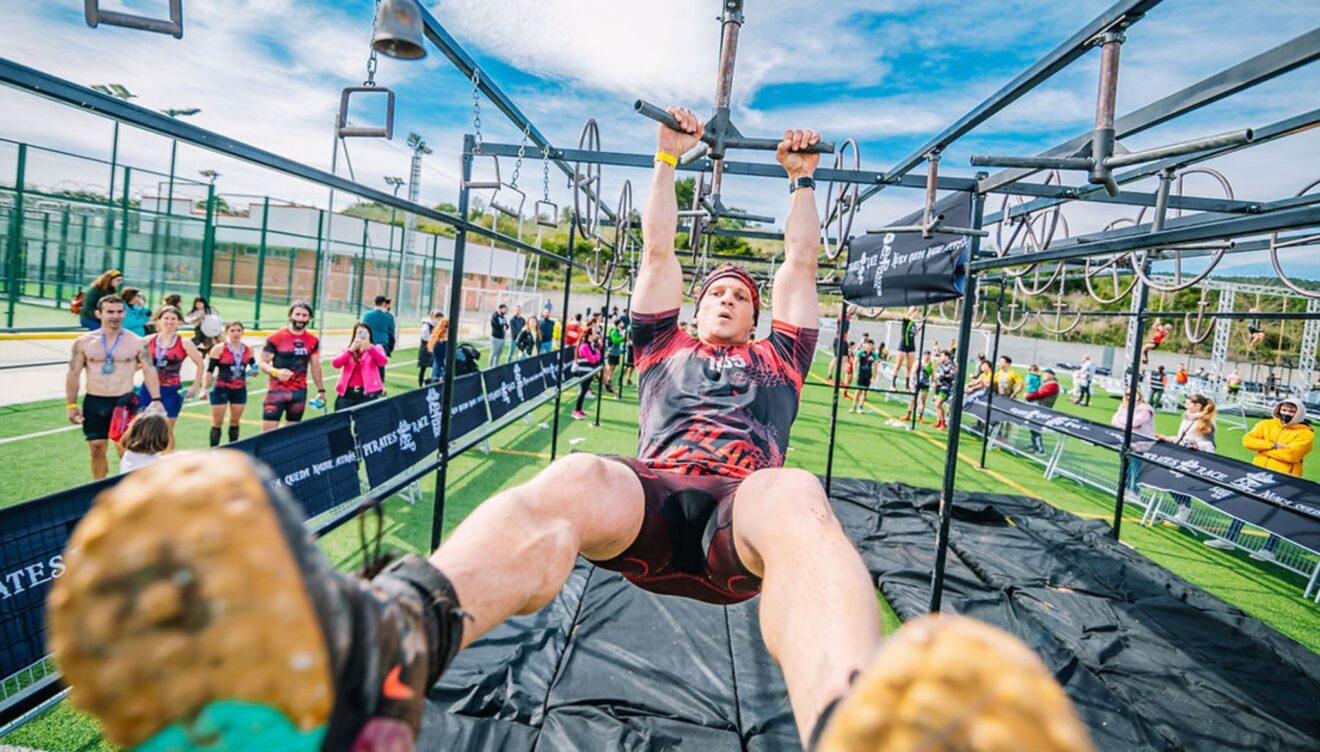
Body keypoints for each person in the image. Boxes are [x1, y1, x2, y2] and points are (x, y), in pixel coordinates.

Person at [48, 112, 1092, 752]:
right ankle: (392, 641)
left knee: (800, 492)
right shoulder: (659, 346)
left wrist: (806, 184)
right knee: (581, 470)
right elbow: (655, 242)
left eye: (740, 290)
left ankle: (854, 719)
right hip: (647, 497)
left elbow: (801, 273)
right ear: (693, 309)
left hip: (743, 520)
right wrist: (667, 160)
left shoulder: (779, 355)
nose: (730, 295)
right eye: (717, 288)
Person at [66, 295, 162, 479]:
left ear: (124, 313)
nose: (115, 316)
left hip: (123, 402)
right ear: (98, 314)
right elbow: (73, 374)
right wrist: (71, 405)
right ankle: (98, 488)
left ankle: (129, 490)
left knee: (127, 451)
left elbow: (150, 371)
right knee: (96, 448)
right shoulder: (83, 342)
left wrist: (157, 400)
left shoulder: (137, 342)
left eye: (119, 311)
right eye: (110, 311)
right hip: (95, 401)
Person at [1208, 398, 1314, 558]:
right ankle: (1229, 539)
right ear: (1279, 409)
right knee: (1244, 505)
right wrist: (1273, 445)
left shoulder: (1305, 434)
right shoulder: (1266, 424)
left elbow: (1292, 455)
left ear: (1299, 414)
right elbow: (1247, 441)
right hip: (1258, 474)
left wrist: (1262, 448)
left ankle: (1269, 549)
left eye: (1292, 411)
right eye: (1284, 409)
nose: (1287, 413)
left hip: (1285, 479)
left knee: (1277, 513)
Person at [140, 306, 206, 453]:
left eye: (173, 319)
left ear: (179, 322)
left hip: (171, 390)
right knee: (144, 429)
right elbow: (139, 364)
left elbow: (200, 363)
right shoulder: (147, 341)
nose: (169, 322)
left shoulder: (184, 342)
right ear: (158, 320)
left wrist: (195, 387)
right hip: (148, 390)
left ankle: (168, 463)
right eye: (166, 318)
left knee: (166, 431)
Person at [259, 301, 325, 432]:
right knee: (267, 435)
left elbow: (316, 366)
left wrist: (321, 391)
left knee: (290, 436)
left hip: (299, 393)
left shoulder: (313, 340)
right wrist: (275, 372)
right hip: (276, 392)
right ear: (290, 315)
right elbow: (262, 362)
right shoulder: (275, 337)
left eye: (304, 315)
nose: (300, 318)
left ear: (309, 318)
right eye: (297, 314)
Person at [1157, 394, 1217, 523]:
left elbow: (1210, 445)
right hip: (1181, 455)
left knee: (1179, 483)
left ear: (1198, 406)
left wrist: (1197, 445)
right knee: (1168, 480)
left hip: (1195, 459)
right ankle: (1183, 509)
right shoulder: (1186, 418)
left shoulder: (1206, 421)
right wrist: (1168, 438)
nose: (1185, 405)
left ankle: (1184, 510)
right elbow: (1181, 438)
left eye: (1188, 403)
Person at [204, 321, 256, 447]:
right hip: (221, 389)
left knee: (235, 421)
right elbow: (210, 370)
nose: (236, 333)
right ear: (227, 333)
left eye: (238, 330)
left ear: (243, 332)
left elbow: (254, 367)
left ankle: (234, 449)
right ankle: (214, 451)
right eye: (232, 330)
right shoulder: (219, 349)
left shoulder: (248, 349)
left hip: (239, 390)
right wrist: (204, 388)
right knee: (217, 422)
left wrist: (254, 371)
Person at [333, 323, 390, 411]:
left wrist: (370, 348)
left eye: (364, 333)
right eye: (358, 333)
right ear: (354, 335)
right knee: (341, 422)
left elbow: (383, 362)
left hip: (367, 395)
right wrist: (350, 351)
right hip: (347, 394)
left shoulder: (377, 348)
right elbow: (336, 364)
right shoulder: (347, 350)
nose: (361, 336)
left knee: (366, 423)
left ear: (369, 335)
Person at [1111, 390, 1156, 501]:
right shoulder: (1123, 406)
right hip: (1125, 441)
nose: (1130, 396)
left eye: (1133, 393)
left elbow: (1135, 422)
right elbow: (1114, 420)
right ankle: (1124, 489)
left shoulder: (1145, 408)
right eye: (1127, 394)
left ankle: (1135, 493)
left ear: (1139, 394)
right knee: (1125, 467)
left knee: (1136, 470)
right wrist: (1124, 422)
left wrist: (1122, 421)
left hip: (1140, 443)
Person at [1024, 368, 1061, 453]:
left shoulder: (1053, 384)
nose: (1044, 375)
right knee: (1033, 427)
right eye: (1043, 373)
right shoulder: (1047, 383)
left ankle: (1039, 448)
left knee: (1035, 428)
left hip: (1043, 408)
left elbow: (1042, 394)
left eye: (1046, 373)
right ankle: (1035, 445)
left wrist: (1029, 396)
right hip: (1040, 407)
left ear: (1052, 375)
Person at [362, 296, 397, 383]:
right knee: (380, 367)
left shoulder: (366, 315)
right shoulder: (389, 317)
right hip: (382, 344)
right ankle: (379, 387)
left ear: (374, 303)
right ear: (384, 304)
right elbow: (391, 332)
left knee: (366, 365)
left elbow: (362, 330)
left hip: (368, 343)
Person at [571, 328, 602, 419]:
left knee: (584, 391)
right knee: (583, 391)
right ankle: (577, 411)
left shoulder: (591, 345)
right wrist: (596, 355)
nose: (596, 334)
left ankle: (579, 410)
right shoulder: (584, 346)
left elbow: (597, 356)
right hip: (584, 370)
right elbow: (592, 359)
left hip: (589, 370)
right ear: (589, 335)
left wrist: (596, 355)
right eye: (594, 333)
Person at [892, 306, 920, 388]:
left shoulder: (914, 324)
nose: (918, 315)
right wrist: (914, 309)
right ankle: (893, 384)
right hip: (903, 345)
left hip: (911, 346)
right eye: (916, 313)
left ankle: (907, 385)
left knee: (909, 367)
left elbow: (913, 334)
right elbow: (907, 315)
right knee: (898, 365)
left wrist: (919, 329)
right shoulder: (906, 320)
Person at [932, 349, 956, 430]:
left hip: (945, 387)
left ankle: (943, 423)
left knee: (938, 404)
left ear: (946, 356)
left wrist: (942, 376)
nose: (940, 357)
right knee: (937, 404)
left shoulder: (950, 365)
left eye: (942, 355)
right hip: (939, 386)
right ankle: (938, 421)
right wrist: (935, 381)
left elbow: (952, 376)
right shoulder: (941, 365)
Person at [850, 339, 877, 414]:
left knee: (864, 391)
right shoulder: (861, 353)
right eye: (868, 345)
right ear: (865, 345)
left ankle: (860, 407)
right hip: (860, 374)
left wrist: (874, 377)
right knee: (858, 390)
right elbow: (855, 363)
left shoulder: (874, 355)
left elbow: (876, 366)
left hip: (868, 374)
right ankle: (853, 406)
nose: (869, 346)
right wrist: (855, 373)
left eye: (871, 345)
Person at [417, 310, 442, 387]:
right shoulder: (427, 325)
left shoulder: (437, 326)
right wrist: (434, 338)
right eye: (438, 318)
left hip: (434, 348)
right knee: (423, 368)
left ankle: (434, 383)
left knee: (435, 366)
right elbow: (424, 337)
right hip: (426, 349)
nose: (439, 320)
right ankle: (420, 385)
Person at [604, 318, 627, 394]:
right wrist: (623, 337)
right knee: (610, 367)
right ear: (618, 324)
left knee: (613, 367)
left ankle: (609, 380)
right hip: (612, 352)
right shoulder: (614, 331)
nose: (622, 325)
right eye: (621, 323)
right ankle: (607, 381)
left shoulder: (618, 331)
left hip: (616, 352)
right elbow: (615, 340)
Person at [427, 315, 450, 383]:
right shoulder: (446, 333)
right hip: (441, 347)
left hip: (437, 347)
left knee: (436, 365)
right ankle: (437, 379)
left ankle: (434, 379)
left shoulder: (438, 332)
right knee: (439, 366)